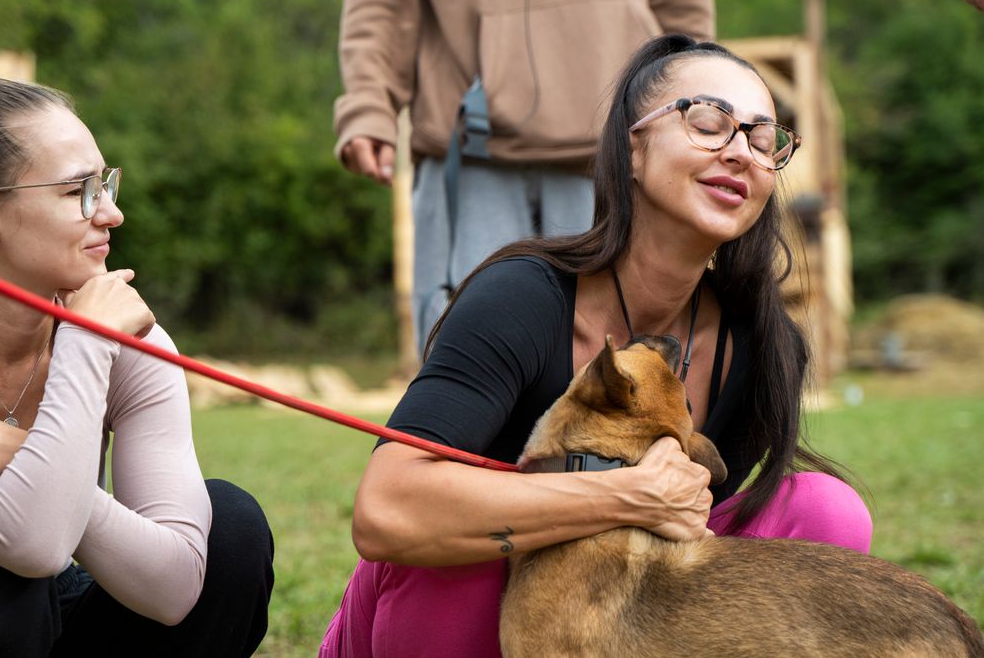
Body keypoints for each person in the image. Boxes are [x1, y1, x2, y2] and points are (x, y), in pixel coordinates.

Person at [319, 35, 873, 657]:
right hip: (436, 606)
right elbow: (386, 510)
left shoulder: (762, 346)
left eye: (763, 140)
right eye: (709, 123)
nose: (740, 152)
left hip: (598, 621)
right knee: (469, 544)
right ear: (632, 147)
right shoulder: (521, 298)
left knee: (823, 511)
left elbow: (679, 543)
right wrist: (623, 495)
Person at [0, 65, 274, 657]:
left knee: (230, 529)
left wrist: (16, 450)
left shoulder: (127, 338)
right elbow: (34, 545)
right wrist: (87, 341)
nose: (111, 214)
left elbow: (173, 589)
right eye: (77, 192)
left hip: (53, 600)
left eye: (106, 183)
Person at [334, 0, 716, 350]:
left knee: (624, 359)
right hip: (468, 151)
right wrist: (368, 104)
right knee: (465, 351)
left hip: (618, 148)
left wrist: (697, 102)